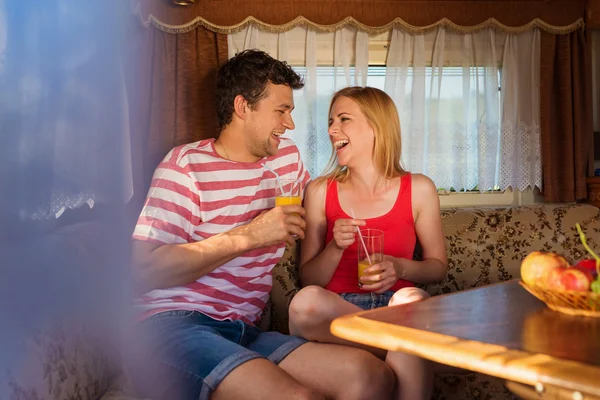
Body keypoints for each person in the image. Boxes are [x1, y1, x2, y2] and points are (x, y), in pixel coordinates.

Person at [129, 51, 394, 400]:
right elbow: (144, 270)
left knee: (372, 376)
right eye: (281, 111)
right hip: (174, 324)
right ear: (243, 107)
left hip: (246, 330)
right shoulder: (185, 167)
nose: (290, 124)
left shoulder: (286, 160)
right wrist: (252, 235)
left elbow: (330, 200)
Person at [288, 86, 448, 400]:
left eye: (343, 119)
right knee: (305, 302)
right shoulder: (320, 191)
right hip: (338, 314)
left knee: (412, 297)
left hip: (396, 309)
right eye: (331, 121)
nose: (332, 130)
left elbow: (438, 268)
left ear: (376, 127)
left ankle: (406, 340)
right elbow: (309, 278)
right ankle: (413, 346)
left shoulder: (419, 188)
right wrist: (335, 247)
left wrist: (399, 267)